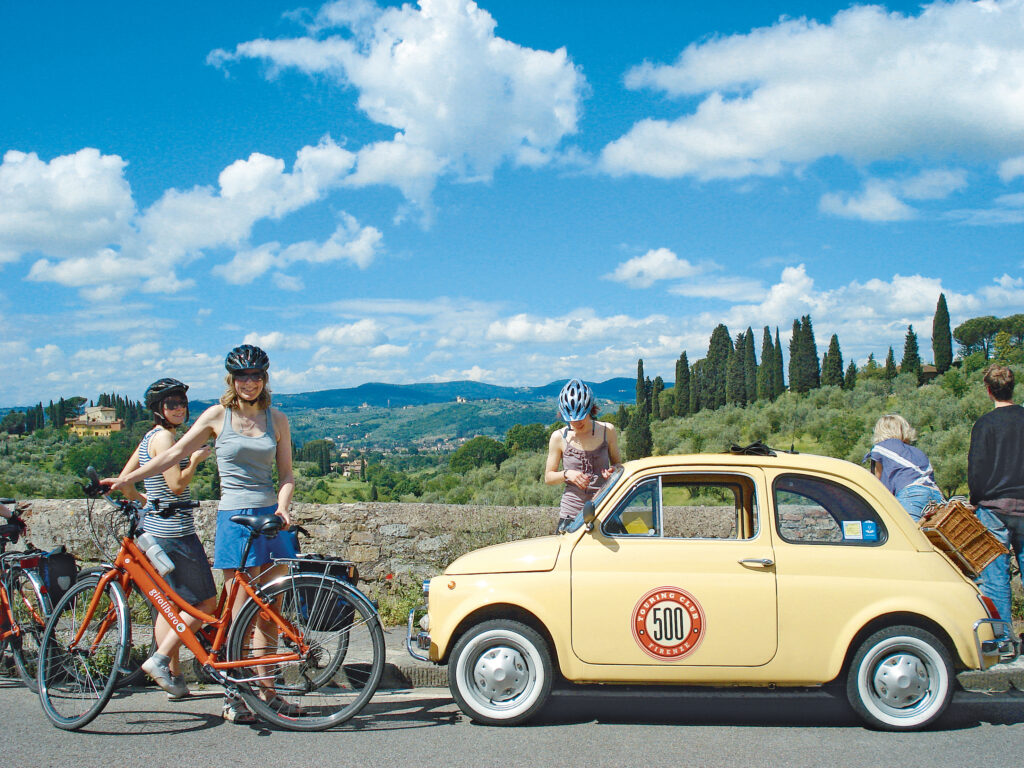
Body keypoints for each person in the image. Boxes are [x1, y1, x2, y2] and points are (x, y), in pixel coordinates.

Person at [106, 344, 298, 723]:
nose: (249, 383)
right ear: (232, 380)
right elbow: (170, 454)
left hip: (269, 518)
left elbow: (287, 474)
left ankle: (269, 694)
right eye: (242, 377)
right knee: (238, 613)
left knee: (270, 612)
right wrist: (127, 478)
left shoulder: (277, 419)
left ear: (265, 379)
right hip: (234, 516)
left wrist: (284, 506)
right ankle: (235, 698)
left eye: (256, 376)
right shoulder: (216, 416)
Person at [116, 378, 215, 702]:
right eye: (171, 404)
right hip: (177, 533)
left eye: (182, 403)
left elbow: (126, 483)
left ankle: (174, 678)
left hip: (153, 530)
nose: (179, 409)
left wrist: (147, 503)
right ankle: (160, 662)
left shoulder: (148, 438)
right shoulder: (166, 439)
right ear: (159, 409)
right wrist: (197, 461)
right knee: (204, 604)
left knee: (167, 607)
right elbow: (175, 484)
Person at [969, 364, 1024, 634]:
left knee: (995, 577)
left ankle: (1004, 640)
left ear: (989, 391)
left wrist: (975, 499)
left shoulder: (985, 425)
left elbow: (977, 468)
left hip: (993, 508)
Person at [544, 378, 621, 533]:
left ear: (590, 410)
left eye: (581, 418)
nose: (576, 423)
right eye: (571, 420)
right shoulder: (558, 437)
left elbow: (619, 466)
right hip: (571, 513)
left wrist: (613, 472)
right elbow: (548, 477)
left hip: (605, 507)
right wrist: (567, 474)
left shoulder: (608, 431)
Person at [864, 414, 944, 521]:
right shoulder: (917, 452)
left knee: (907, 535)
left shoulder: (880, 449)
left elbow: (878, 484)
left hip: (912, 495)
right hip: (936, 495)